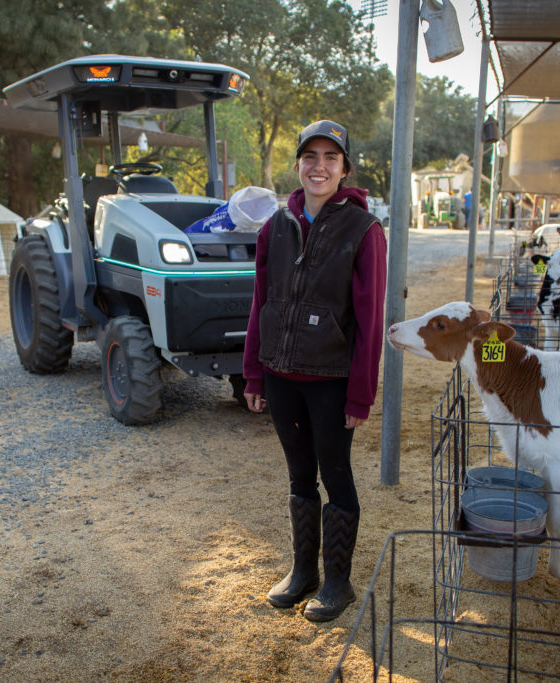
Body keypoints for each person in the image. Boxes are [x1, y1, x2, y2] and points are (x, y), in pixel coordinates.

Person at [242, 120, 388, 622]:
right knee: (299, 475)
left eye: (330, 157)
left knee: (337, 476)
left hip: (331, 381)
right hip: (282, 377)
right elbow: (261, 301)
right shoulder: (275, 226)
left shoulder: (363, 231)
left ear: (345, 168)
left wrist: (360, 396)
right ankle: (303, 571)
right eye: (310, 156)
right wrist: (255, 376)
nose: (319, 166)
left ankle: (339, 583)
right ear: (298, 164)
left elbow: (370, 319)